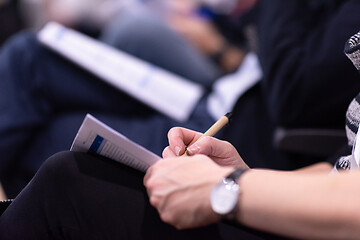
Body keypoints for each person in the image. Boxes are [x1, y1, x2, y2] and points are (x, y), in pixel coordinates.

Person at [1, 0, 360, 200]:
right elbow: (249, 33)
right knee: (27, 54)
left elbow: (294, 91)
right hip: (215, 96)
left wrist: (220, 50)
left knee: (49, 144)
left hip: (229, 129)